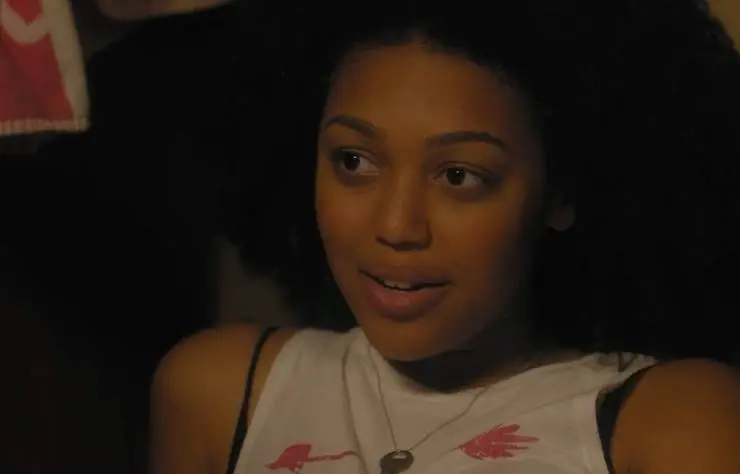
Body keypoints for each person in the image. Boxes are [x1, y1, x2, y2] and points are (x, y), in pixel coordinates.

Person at [150, 1, 740, 473]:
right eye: (354, 161)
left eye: (459, 176)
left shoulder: (670, 418)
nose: (395, 226)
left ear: (560, 192)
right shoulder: (220, 392)